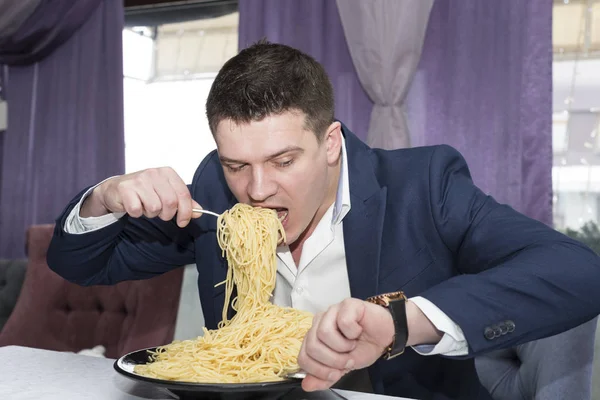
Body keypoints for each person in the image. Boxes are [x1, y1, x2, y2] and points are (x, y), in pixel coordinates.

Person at [47, 40, 600, 400]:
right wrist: (106, 196)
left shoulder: (421, 186)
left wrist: (401, 324)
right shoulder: (214, 194)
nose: (257, 191)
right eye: (237, 163)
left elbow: (577, 271)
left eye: (283, 161)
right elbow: (80, 262)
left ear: (330, 142)